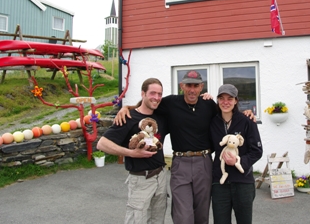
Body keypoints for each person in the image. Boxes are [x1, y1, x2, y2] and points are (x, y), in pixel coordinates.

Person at [115, 70, 256, 224]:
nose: (192, 89)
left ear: (201, 87)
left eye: (196, 86)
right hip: (180, 163)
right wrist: (126, 108)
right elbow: (148, 105)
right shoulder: (170, 103)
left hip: (204, 162)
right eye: (188, 85)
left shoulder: (209, 105)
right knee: (183, 216)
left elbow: (227, 110)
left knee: (202, 214)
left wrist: (246, 113)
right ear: (181, 86)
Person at [97, 78, 168, 224]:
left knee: (158, 220)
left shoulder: (161, 116)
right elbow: (102, 144)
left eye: (159, 94)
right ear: (143, 93)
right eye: (152, 93)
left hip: (160, 177)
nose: (156, 97)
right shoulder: (128, 117)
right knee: (136, 220)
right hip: (141, 179)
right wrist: (131, 153)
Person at [210, 84, 263, 224]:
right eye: (221, 98)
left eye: (230, 98)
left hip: (243, 182)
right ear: (217, 100)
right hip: (219, 183)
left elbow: (257, 151)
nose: (225, 102)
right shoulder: (212, 122)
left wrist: (239, 162)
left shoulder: (247, 121)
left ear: (236, 101)